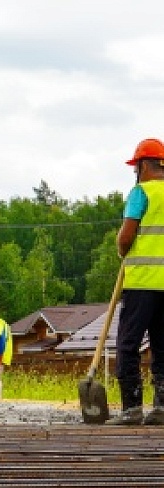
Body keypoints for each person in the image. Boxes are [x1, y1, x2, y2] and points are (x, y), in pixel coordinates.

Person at [107, 137, 164, 425]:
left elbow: (127, 236)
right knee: (163, 345)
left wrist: (121, 247)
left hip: (142, 283)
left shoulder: (140, 192)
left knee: (128, 344)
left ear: (141, 165)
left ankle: (131, 409)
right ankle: (162, 407)